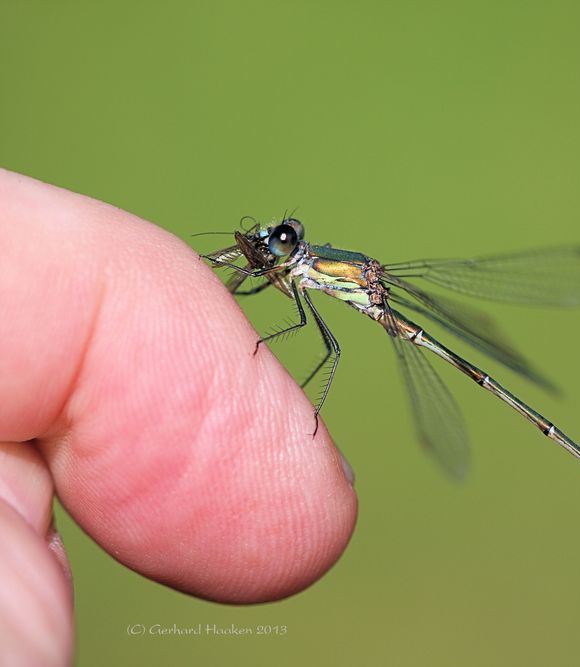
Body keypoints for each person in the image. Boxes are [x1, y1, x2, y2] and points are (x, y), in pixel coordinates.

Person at [0, 169, 358, 665]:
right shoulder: (288, 263)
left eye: (280, 239)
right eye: (280, 238)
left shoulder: (318, 273)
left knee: (330, 349)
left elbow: (310, 330)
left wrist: (278, 372)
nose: (273, 244)